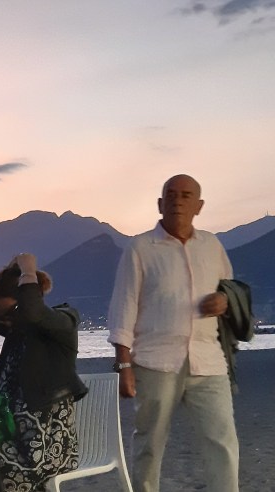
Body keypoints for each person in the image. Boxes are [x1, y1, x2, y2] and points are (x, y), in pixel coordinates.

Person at [108, 174, 238, 492]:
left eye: (186, 195)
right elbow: (124, 306)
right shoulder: (140, 248)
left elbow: (230, 289)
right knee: (150, 442)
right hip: (156, 360)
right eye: (171, 194)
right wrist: (124, 365)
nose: (177, 200)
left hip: (208, 359)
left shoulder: (211, 245)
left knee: (222, 440)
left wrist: (223, 301)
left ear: (199, 206)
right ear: (160, 203)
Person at [0, 253, 86, 492]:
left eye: (11, 313)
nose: (6, 322)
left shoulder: (62, 323)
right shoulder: (17, 329)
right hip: (9, 436)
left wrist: (28, 270)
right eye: (1, 316)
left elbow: (33, 312)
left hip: (43, 447)